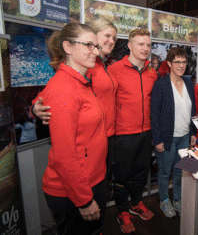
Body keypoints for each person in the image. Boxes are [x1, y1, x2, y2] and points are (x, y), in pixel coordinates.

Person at [32, 23, 108, 235]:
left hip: (92, 179)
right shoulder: (64, 88)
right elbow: (65, 155)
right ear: (68, 46)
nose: (96, 50)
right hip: (73, 191)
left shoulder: (79, 81)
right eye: (89, 45)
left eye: (96, 46)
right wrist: (83, 200)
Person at [32, 18, 118, 182]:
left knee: (101, 184)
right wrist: (35, 108)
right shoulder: (81, 64)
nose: (111, 41)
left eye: (114, 38)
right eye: (107, 35)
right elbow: (52, 92)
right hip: (88, 142)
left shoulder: (99, 64)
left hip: (107, 137)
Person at [108, 28, 158, 234]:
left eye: (148, 45)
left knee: (141, 172)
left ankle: (135, 203)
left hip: (146, 132)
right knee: (122, 176)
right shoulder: (114, 70)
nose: (145, 48)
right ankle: (122, 212)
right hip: (123, 134)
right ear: (129, 45)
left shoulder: (152, 72)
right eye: (140, 44)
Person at [151, 47, 196, 218]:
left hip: (185, 137)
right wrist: (157, 140)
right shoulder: (161, 84)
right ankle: (164, 200)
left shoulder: (189, 83)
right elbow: (154, 114)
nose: (181, 65)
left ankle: (177, 199)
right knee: (164, 172)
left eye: (184, 62)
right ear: (169, 63)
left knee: (180, 171)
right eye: (177, 61)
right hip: (167, 139)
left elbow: (193, 110)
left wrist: (193, 133)